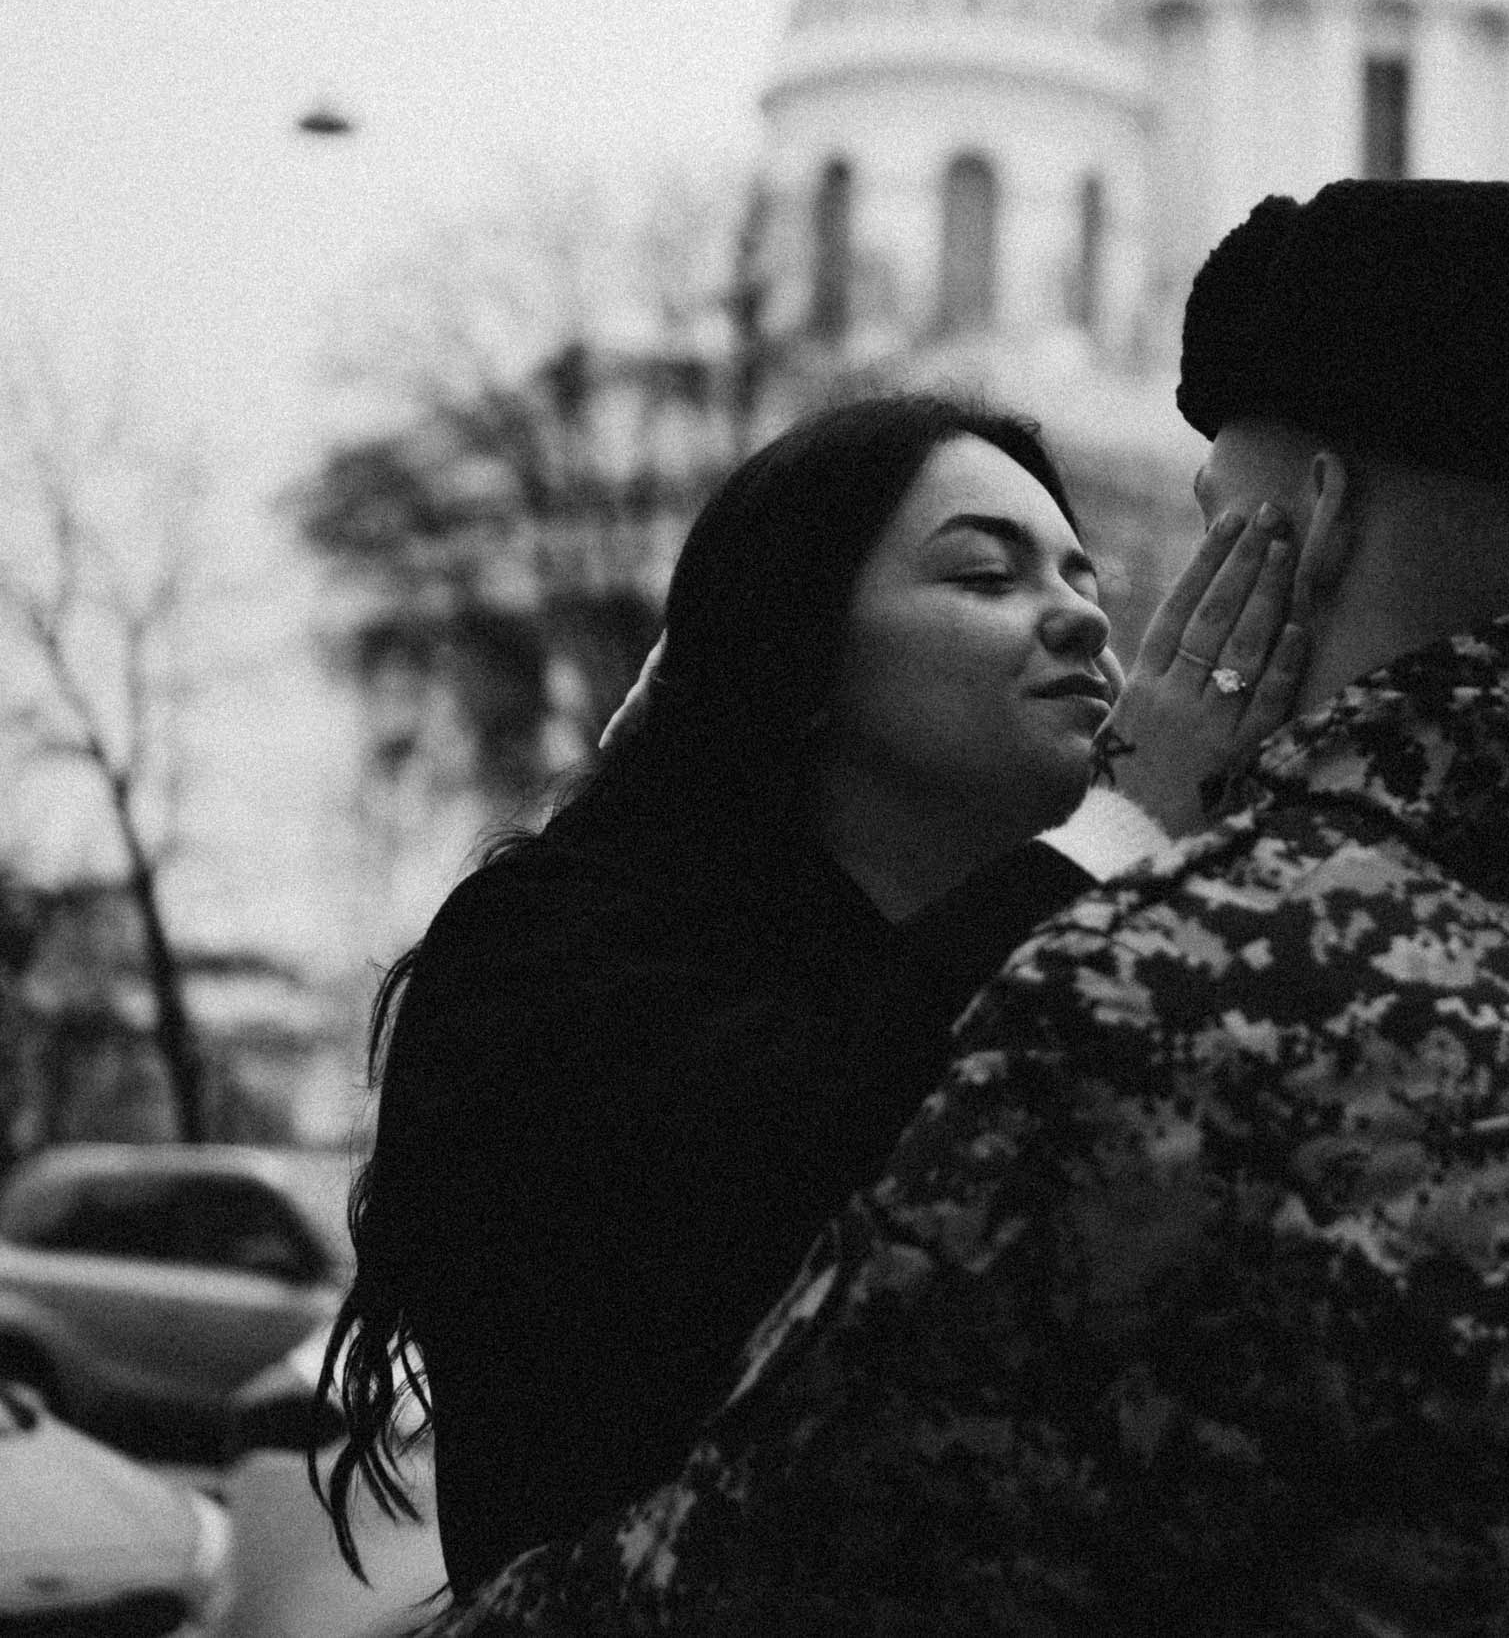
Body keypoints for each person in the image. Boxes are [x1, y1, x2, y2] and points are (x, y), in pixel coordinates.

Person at [425, 179, 1509, 1635]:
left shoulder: (1196, 985)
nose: (1100, 615)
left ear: (1311, 524)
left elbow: (789, 1567)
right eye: (985, 572)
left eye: (1208, 521)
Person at [319, 392, 1305, 1599]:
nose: (1083, 620)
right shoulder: (552, 950)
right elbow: (790, 1178)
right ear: (800, 649)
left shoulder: (1083, 950)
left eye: (1082, 579)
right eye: (986, 578)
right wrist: (1121, 831)